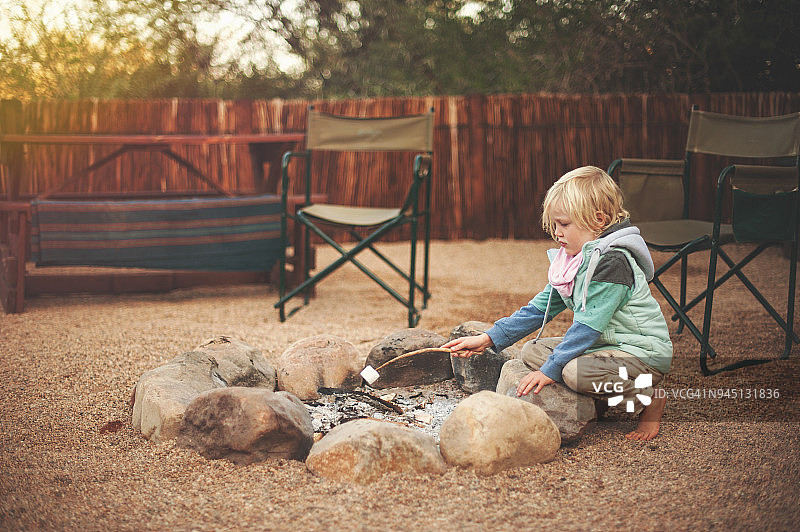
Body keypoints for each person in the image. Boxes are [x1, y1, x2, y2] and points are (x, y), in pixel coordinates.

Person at [442, 166, 672, 441]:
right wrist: (489, 338)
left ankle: (648, 396)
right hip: (605, 345)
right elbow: (540, 309)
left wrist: (550, 371)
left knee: (572, 373)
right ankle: (599, 395)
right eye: (554, 224)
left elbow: (588, 326)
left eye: (564, 224)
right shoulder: (573, 259)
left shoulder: (613, 262)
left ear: (598, 220)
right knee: (532, 351)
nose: (557, 233)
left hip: (639, 351)